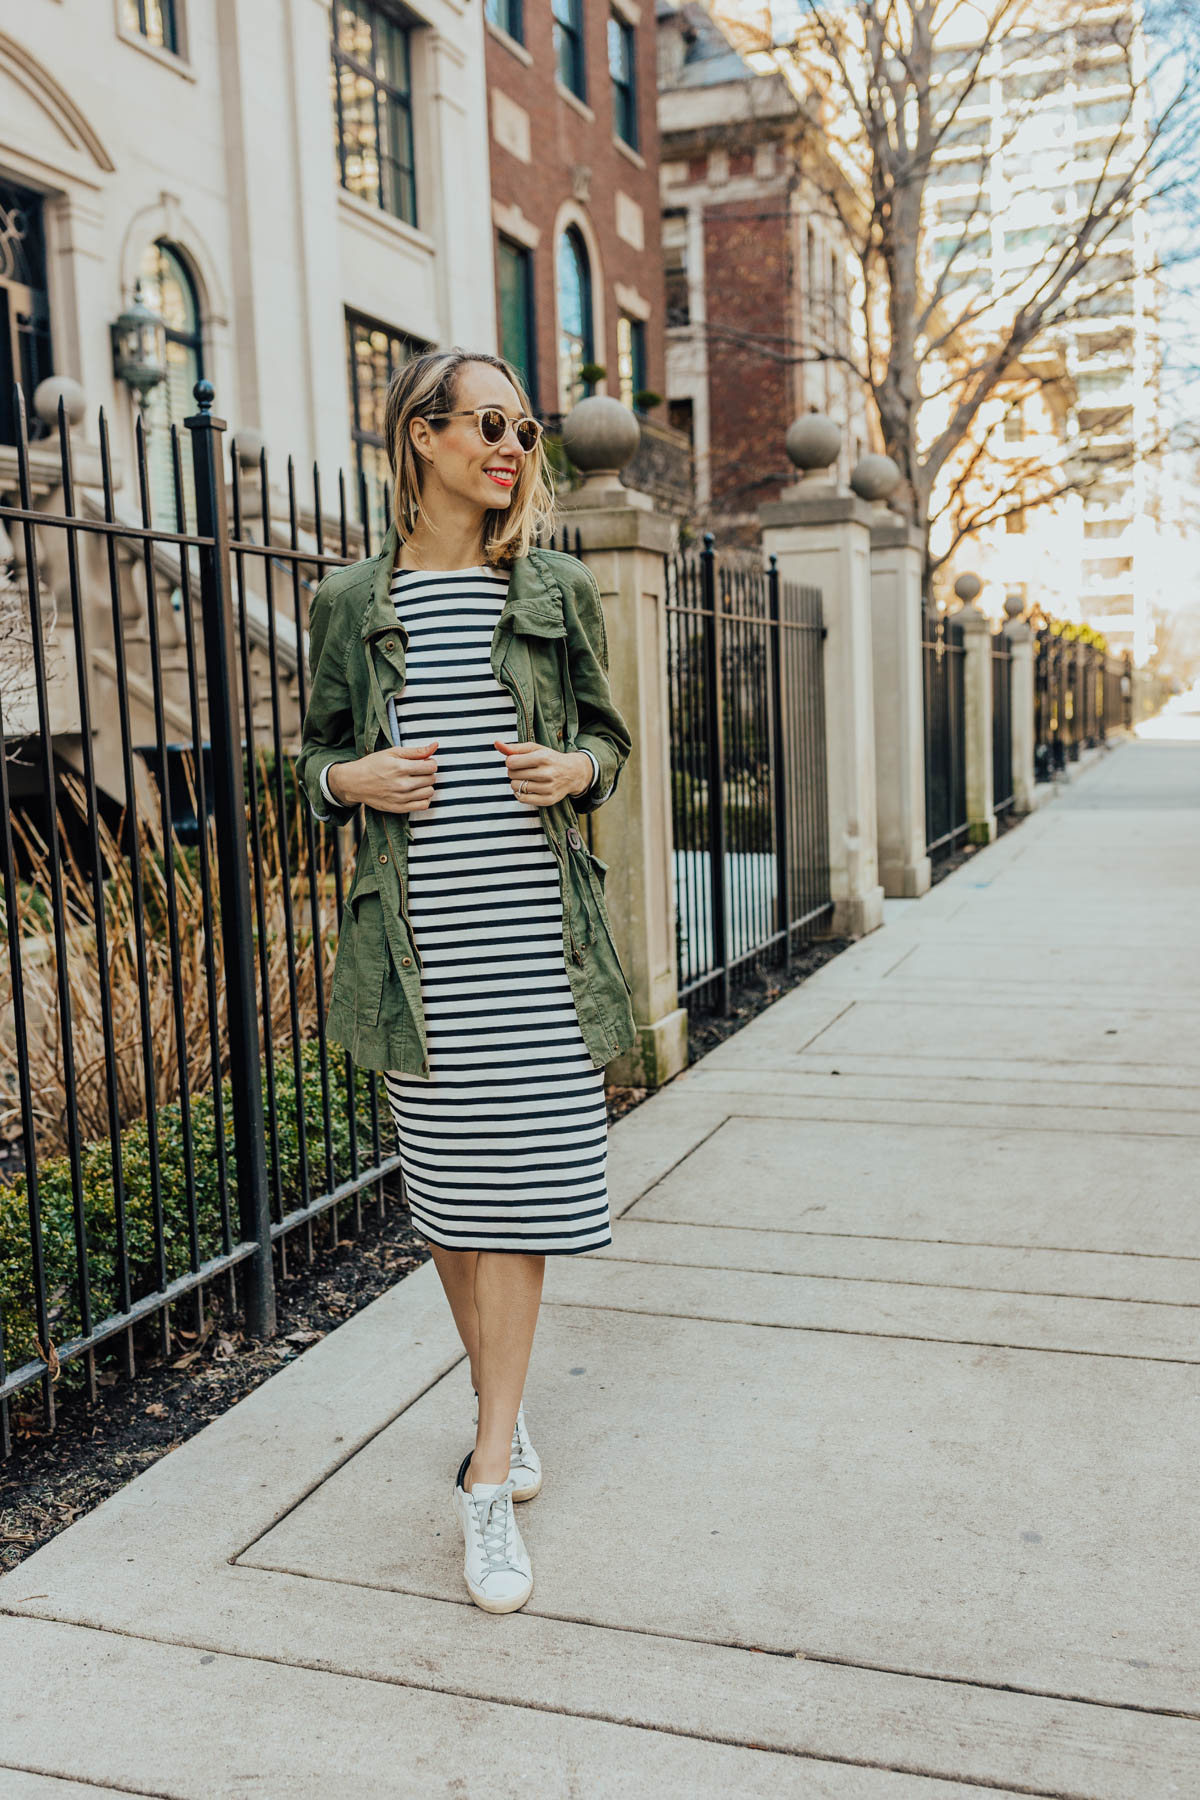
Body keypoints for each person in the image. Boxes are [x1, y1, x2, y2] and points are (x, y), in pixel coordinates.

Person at [296, 347, 638, 1614]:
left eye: (528, 428)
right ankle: (509, 1406)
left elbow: (606, 735)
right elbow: (314, 754)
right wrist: (350, 781)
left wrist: (577, 772)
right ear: (423, 436)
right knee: (451, 1208)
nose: (514, 446)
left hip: (536, 949)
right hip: (418, 954)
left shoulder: (550, 585)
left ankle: (485, 1476)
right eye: (491, 422)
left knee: (526, 1202)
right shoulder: (351, 604)